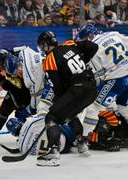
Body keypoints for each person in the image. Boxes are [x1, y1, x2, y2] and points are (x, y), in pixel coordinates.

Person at [77, 23, 128, 149]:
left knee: (93, 108)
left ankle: (84, 140)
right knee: (126, 109)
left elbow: (99, 74)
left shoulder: (92, 48)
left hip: (118, 79)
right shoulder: (113, 34)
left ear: (88, 37)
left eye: (83, 40)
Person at [36, 31, 98, 166]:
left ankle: (53, 154)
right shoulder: (70, 44)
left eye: (42, 46)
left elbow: (58, 88)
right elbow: (93, 47)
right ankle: (82, 144)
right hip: (92, 88)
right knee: (70, 114)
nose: (42, 49)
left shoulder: (49, 59)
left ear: (46, 45)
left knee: (51, 118)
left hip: (78, 89)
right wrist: (83, 60)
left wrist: (58, 104)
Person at [0, 47, 31, 142]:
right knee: (3, 111)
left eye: (3, 65)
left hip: (26, 92)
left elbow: (26, 48)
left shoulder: (17, 59)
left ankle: (25, 133)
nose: (1, 68)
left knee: (24, 114)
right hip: (12, 92)